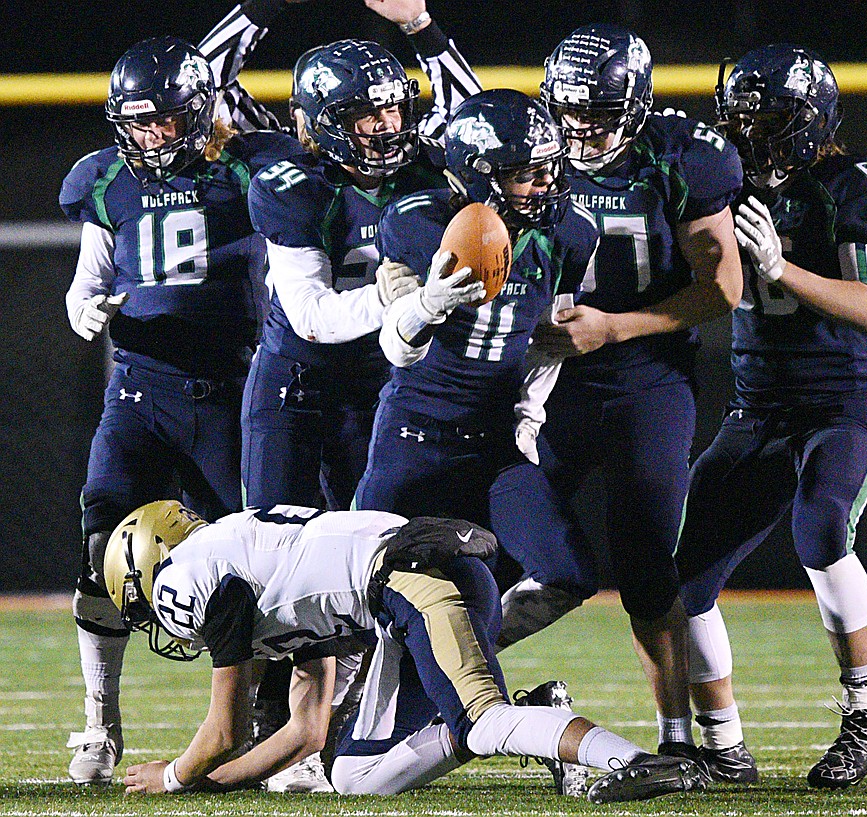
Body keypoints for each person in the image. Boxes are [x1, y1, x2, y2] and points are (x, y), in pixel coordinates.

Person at [655, 45, 867, 789]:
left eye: (769, 123)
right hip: (758, 407)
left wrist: (781, 270)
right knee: (687, 572)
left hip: (845, 401)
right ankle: (722, 743)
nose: (754, 137)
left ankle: (865, 714)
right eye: (741, 122)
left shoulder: (853, 186)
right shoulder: (720, 185)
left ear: (810, 121)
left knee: (822, 527)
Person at [239, 2, 481, 789]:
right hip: (297, 388)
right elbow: (309, 318)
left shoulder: (423, 165)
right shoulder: (293, 184)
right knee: (287, 566)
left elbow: (483, 119)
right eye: (363, 113)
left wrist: (422, 27)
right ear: (318, 124)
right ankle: (288, 728)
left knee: (373, 558)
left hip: (382, 385)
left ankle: (351, 725)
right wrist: (407, 303)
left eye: (391, 106)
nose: (384, 125)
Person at [492, 24, 743, 775]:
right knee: (497, 549)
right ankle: (439, 697)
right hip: (542, 379)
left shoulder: (680, 158)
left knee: (646, 563)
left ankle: (679, 737)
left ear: (635, 106)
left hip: (644, 378)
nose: (582, 130)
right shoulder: (528, 150)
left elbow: (722, 289)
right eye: (571, 112)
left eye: (600, 114)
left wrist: (614, 328)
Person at [60, 19, 305, 785]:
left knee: (248, 565)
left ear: (202, 111)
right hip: (138, 388)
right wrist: (83, 307)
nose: (154, 135)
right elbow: (86, 280)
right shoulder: (103, 178)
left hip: (234, 390)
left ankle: (268, 727)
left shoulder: (247, 165)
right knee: (101, 552)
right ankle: (100, 720)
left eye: (167, 116)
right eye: (139, 121)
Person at [100, 501, 703, 802]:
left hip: (414, 581)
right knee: (355, 773)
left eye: (140, 601)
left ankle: (636, 760)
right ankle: (537, 712)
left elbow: (225, 726)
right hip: (401, 597)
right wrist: (213, 784)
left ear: (153, 561)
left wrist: (176, 777)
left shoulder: (190, 573)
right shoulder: (263, 566)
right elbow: (307, 732)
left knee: (484, 720)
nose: (155, 616)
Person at [354, 87, 600, 793]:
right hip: (412, 438)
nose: (546, 183)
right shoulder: (417, 218)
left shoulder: (570, 230)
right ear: (478, 171)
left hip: (494, 442)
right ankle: (333, 735)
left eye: (550, 167)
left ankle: (457, 667)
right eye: (528, 171)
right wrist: (428, 305)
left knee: (566, 570)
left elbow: (548, 340)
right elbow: (397, 347)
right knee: (369, 603)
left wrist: (527, 422)